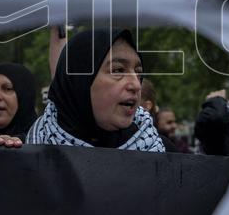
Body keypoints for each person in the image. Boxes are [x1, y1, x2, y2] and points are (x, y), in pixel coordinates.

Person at [25, 28, 165, 151]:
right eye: (118, 70)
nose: (136, 85)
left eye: (138, 73)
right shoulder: (22, 150)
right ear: (80, 83)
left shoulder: (163, 152)